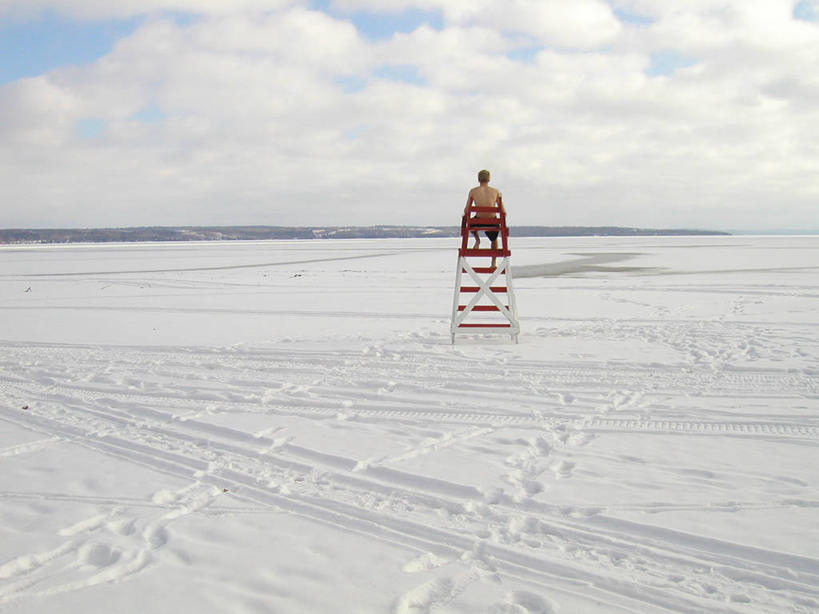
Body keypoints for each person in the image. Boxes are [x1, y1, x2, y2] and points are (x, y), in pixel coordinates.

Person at [464, 169, 505, 266]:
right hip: (492, 221)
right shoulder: (496, 191)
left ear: (478, 179)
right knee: (494, 240)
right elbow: (502, 210)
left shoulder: (473, 191)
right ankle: (493, 263)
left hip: (478, 220)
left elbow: (466, 210)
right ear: (489, 179)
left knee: (471, 225)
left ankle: (477, 240)